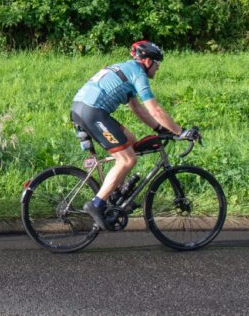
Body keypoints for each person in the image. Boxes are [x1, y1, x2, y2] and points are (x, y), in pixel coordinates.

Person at [71, 40, 197, 230]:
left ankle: (115, 194)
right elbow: (154, 109)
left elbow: (138, 109)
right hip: (93, 112)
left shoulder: (126, 68)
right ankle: (96, 204)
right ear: (147, 62)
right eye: (157, 63)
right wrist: (180, 131)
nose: (158, 68)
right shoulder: (138, 73)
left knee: (130, 142)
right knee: (127, 160)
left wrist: (160, 129)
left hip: (83, 108)